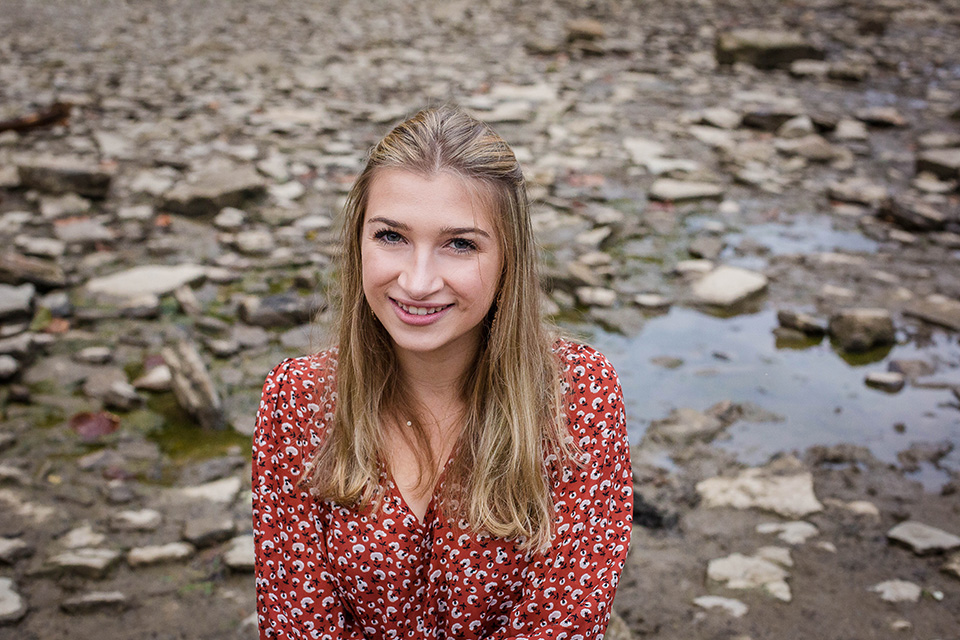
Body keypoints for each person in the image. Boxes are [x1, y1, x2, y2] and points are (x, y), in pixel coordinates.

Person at [252, 106, 632, 640]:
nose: (418, 281)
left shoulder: (578, 395)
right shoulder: (297, 400)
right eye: (391, 236)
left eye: (460, 244)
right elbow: (297, 621)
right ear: (358, 240)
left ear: (508, 259)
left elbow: (563, 622)